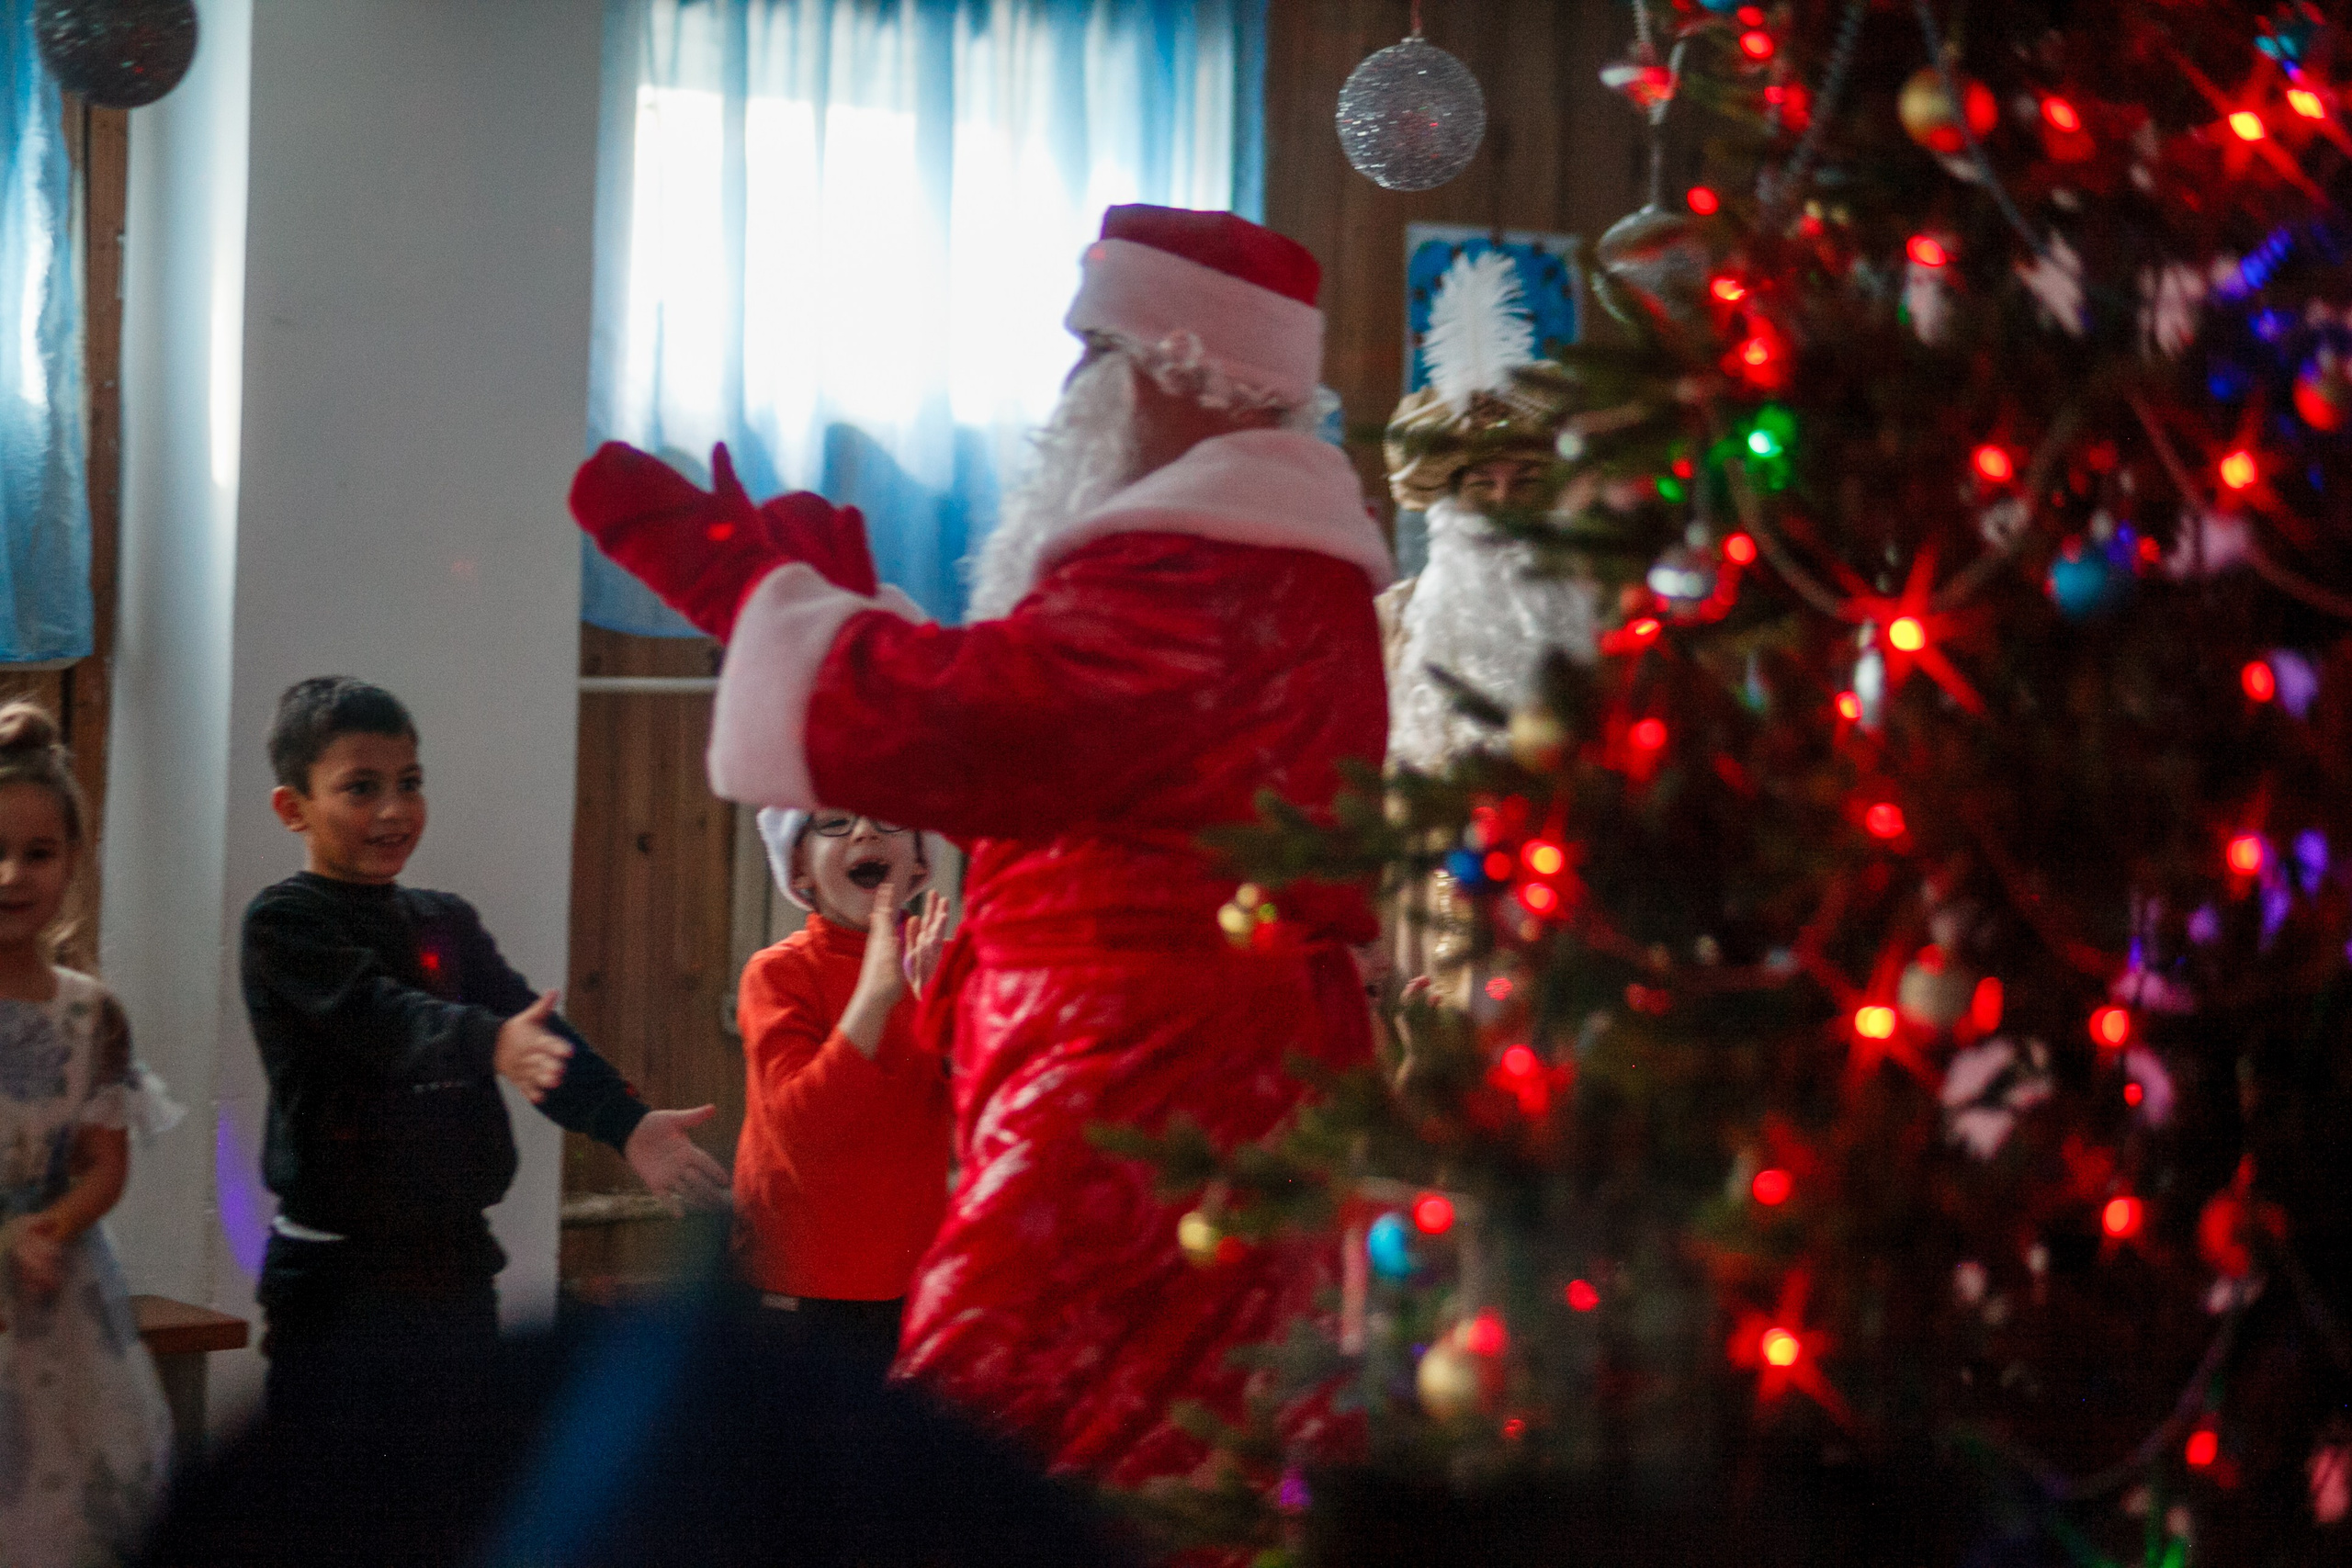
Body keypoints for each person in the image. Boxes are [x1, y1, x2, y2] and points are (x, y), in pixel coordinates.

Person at [569, 204, 1391, 1490]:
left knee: (998, 1430)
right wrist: (863, 618)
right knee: (1171, 1439)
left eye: (1091, 353)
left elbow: (980, 725)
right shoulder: (1257, 565)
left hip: (1142, 1082)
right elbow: (1048, 733)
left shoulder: (1203, 567)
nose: (1068, 394)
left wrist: (751, 592)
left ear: (1178, 370)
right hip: (1184, 1065)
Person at [240, 676, 730, 1418]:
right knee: (339, 1509)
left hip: (455, 1261)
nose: (394, 809)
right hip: (338, 1274)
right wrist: (489, 1038)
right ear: (293, 808)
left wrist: (626, 1123)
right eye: (360, 787)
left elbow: (536, 1035)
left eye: (410, 782)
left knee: (453, 1492)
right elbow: (382, 1016)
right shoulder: (285, 923)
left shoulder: (445, 920)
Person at [0, 702, 180, 1568]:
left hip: (58, 1305)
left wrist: (50, 1225)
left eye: (38, 852)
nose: (12, 874)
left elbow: (105, 1167)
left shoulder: (91, 1013)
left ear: (73, 860)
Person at [733, 807, 952, 1371]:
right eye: (833, 822)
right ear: (799, 867)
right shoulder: (778, 974)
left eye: (887, 816)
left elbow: (985, 1127)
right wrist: (875, 998)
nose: (865, 831)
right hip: (793, 1291)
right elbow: (802, 1129)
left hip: (911, 1288)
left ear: (922, 862)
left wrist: (950, 1034)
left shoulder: (945, 973)